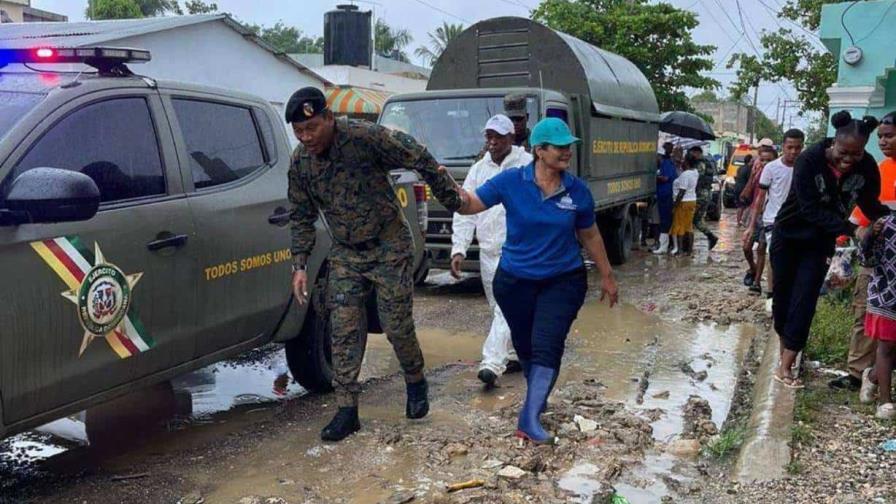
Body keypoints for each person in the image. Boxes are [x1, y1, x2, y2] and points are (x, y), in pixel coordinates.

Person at [286, 87, 463, 441]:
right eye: (299, 132)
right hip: (347, 253)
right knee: (343, 328)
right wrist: (300, 264)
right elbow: (300, 214)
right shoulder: (300, 162)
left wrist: (451, 197)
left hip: (389, 245)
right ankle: (347, 410)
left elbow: (418, 155)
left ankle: (415, 381)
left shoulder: (364, 138)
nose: (306, 138)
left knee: (396, 326)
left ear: (329, 119)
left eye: (312, 129)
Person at [454, 118, 619, 443]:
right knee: (527, 347)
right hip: (514, 282)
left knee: (548, 344)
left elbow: (590, 233)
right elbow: (472, 204)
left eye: (569, 146)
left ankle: (528, 419)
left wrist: (607, 276)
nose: (567, 152)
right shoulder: (511, 181)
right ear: (540, 151)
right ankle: (536, 401)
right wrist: (447, 189)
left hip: (563, 281)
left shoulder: (577, 190)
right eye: (559, 146)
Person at [771, 111, 887, 388]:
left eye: (856, 154)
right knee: (783, 300)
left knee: (806, 298)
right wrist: (852, 229)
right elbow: (809, 208)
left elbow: (870, 202)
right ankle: (784, 350)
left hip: (820, 242)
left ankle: (786, 366)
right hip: (788, 235)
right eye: (843, 152)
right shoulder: (809, 159)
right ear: (834, 142)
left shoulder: (867, 166)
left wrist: (884, 219)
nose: (848, 160)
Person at [451, 114, 533, 387]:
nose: (493, 142)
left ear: (511, 138)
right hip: (488, 250)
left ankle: (491, 363)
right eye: (489, 137)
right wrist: (459, 249)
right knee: (499, 307)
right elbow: (465, 211)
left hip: (518, 250)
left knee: (506, 305)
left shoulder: (527, 165)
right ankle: (515, 355)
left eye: (499, 137)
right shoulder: (478, 170)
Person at [830, 111, 896, 392]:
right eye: (880, 136)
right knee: (864, 313)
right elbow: (862, 211)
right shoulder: (879, 170)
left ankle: (877, 377)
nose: (883, 141)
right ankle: (858, 373)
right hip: (877, 259)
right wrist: (845, 236)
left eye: (889, 135)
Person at [744, 130, 806, 297]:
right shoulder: (771, 168)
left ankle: (787, 291)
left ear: (802, 147)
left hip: (798, 221)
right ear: (783, 147)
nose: (793, 151)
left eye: (797, 148)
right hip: (773, 221)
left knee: (793, 259)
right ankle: (772, 294)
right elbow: (759, 198)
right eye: (790, 147)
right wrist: (751, 226)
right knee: (774, 256)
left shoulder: (805, 168)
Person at [857, 212, 896, 418]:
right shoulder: (885, 225)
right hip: (887, 294)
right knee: (887, 347)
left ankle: (872, 377)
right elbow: (865, 258)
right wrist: (870, 235)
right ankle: (885, 402)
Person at [741, 147, 775, 288]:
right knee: (746, 247)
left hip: (769, 216)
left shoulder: (776, 174)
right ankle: (753, 268)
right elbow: (744, 196)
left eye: (769, 160)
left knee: (761, 248)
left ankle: (757, 283)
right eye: (762, 159)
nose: (765, 163)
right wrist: (752, 176)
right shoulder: (756, 174)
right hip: (755, 214)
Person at [688, 146, 720, 251]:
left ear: (697, 153)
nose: (691, 155)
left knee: (690, 219)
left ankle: (687, 246)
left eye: (692, 153)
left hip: (700, 195)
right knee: (697, 220)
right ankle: (710, 236)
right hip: (705, 194)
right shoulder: (706, 162)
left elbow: (697, 177)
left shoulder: (701, 164)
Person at [669, 155, 698, 255]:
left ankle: (680, 250)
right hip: (692, 200)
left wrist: (675, 205)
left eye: (684, 161)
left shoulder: (685, 174)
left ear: (687, 162)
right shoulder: (695, 172)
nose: (682, 162)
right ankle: (689, 251)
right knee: (689, 226)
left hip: (683, 202)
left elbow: (682, 191)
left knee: (679, 226)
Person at [653, 142, 678, 254]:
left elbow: (665, 178)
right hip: (664, 194)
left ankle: (664, 246)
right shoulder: (669, 163)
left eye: (658, 156)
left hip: (666, 195)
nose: (656, 158)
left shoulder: (667, 164)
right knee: (665, 220)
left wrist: (655, 177)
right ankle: (666, 245)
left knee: (665, 220)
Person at [734, 154, 754, 226]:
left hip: (737, 187)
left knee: (740, 206)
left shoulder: (740, 168)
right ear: (750, 161)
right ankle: (743, 221)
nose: (753, 162)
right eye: (752, 160)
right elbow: (750, 180)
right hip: (743, 189)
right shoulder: (749, 169)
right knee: (747, 205)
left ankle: (738, 222)